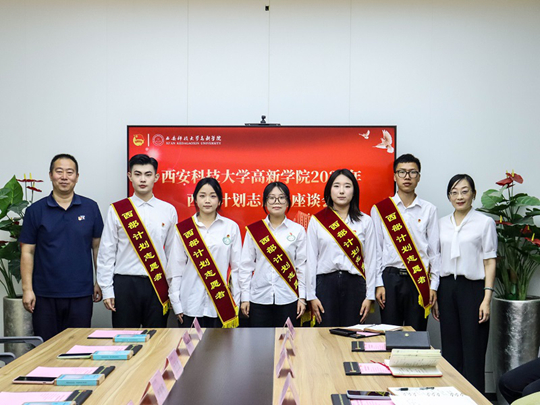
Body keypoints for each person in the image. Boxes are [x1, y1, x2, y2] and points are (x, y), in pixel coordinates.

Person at [20, 154, 103, 341]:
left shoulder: (90, 208)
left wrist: (100, 281)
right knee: (46, 348)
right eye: (59, 172)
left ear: (77, 177)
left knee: (78, 346)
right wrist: (27, 289)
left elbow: (97, 247)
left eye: (69, 172)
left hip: (81, 293)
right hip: (44, 294)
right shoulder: (35, 211)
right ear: (50, 175)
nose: (64, 177)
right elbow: (27, 251)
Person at [97, 154, 177, 328]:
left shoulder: (168, 210)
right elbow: (106, 252)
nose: (142, 179)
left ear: (156, 177)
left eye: (148, 174)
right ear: (130, 176)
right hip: (125, 285)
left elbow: (173, 255)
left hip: (157, 284)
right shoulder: (117, 210)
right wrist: (107, 290)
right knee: (124, 339)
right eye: (138, 174)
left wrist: (174, 289)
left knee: (156, 338)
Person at [434, 174, 496, 393]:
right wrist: (436, 294)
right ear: (449, 196)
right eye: (454, 192)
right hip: (446, 288)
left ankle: (475, 399)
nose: (459, 196)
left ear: (473, 194)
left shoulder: (484, 223)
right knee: (450, 350)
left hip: (473, 290)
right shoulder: (441, 224)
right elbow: (436, 259)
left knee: (473, 350)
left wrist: (486, 299)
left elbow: (489, 261)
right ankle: (453, 397)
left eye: (464, 191)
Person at [371, 153, 440, 332]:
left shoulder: (429, 210)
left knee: (416, 335)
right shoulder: (381, 209)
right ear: (395, 176)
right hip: (390, 279)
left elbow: (434, 252)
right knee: (390, 334)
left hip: (418, 279)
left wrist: (433, 285)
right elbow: (376, 251)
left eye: (412, 172)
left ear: (419, 177)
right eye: (402, 172)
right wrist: (379, 283)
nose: (407, 177)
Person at [167, 177, 241, 328]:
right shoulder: (184, 229)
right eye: (202, 196)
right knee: (191, 344)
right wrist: (176, 304)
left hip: (221, 305)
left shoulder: (231, 227)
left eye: (212, 196)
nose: (207, 200)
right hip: (190, 304)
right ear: (195, 199)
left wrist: (237, 301)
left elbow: (237, 268)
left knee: (220, 344)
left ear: (219, 201)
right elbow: (176, 269)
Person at [307, 169, 377, 327]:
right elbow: (310, 260)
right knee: (325, 334)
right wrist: (311, 296)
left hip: (355, 285)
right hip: (325, 285)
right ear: (329, 190)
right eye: (336, 186)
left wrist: (369, 296)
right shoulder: (317, 221)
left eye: (347, 186)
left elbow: (371, 260)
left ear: (354, 191)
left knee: (352, 333)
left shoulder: (365, 221)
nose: (341, 191)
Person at [239, 182, 307, 327]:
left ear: (288, 202)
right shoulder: (255, 231)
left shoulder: (298, 230)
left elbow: (302, 266)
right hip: (259, 298)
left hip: (288, 298)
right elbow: (245, 267)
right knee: (260, 340)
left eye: (281, 197)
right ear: (265, 202)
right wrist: (245, 298)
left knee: (288, 339)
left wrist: (302, 298)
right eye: (271, 198)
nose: (277, 202)